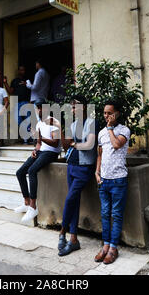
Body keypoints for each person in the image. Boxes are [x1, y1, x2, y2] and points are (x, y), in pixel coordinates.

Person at [58, 95, 98, 256]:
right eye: (72, 107)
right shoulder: (73, 124)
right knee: (74, 201)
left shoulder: (92, 123)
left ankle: (62, 232)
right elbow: (66, 145)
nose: (73, 109)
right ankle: (73, 239)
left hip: (84, 167)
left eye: (76, 106)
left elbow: (89, 145)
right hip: (71, 165)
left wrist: (74, 143)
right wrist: (59, 129)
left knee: (70, 198)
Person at [94, 101, 130, 265]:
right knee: (104, 214)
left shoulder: (124, 130)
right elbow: (100, 155)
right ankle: (106, 245)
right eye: (104, 113)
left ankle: (113, 248)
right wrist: (97, 171)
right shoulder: (101, 133)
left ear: (117, 114)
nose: (106, 116)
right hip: (104, 180)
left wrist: (110, 129)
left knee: (116, 215)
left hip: (118, 180)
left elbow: (116, 145)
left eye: (109, 113)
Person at [15, 98, 61, 222]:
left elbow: (55, 143)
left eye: (41, 108)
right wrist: (35, 149)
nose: (39, 110)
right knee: (20, 172)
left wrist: (40, 137)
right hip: (41, 151)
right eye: (37, 108)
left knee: (32, 170)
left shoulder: (54, 122)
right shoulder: (39, 123)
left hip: (51, 152)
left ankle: (33, 207)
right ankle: (26, 201)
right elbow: (39, 143)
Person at [3, 66, 32, 144]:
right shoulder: (14, 81)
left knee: (28, 120)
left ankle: (29, 138)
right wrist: (5, 83)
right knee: (18, 121)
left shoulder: (27, 80)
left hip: (26, 102)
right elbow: (10, 92)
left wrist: (31, 102)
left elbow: (32, 90)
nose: (22, 71)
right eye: (21, 70)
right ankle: (26, 137)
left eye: (23, 70)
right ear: (18, 71)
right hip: (17, 103)